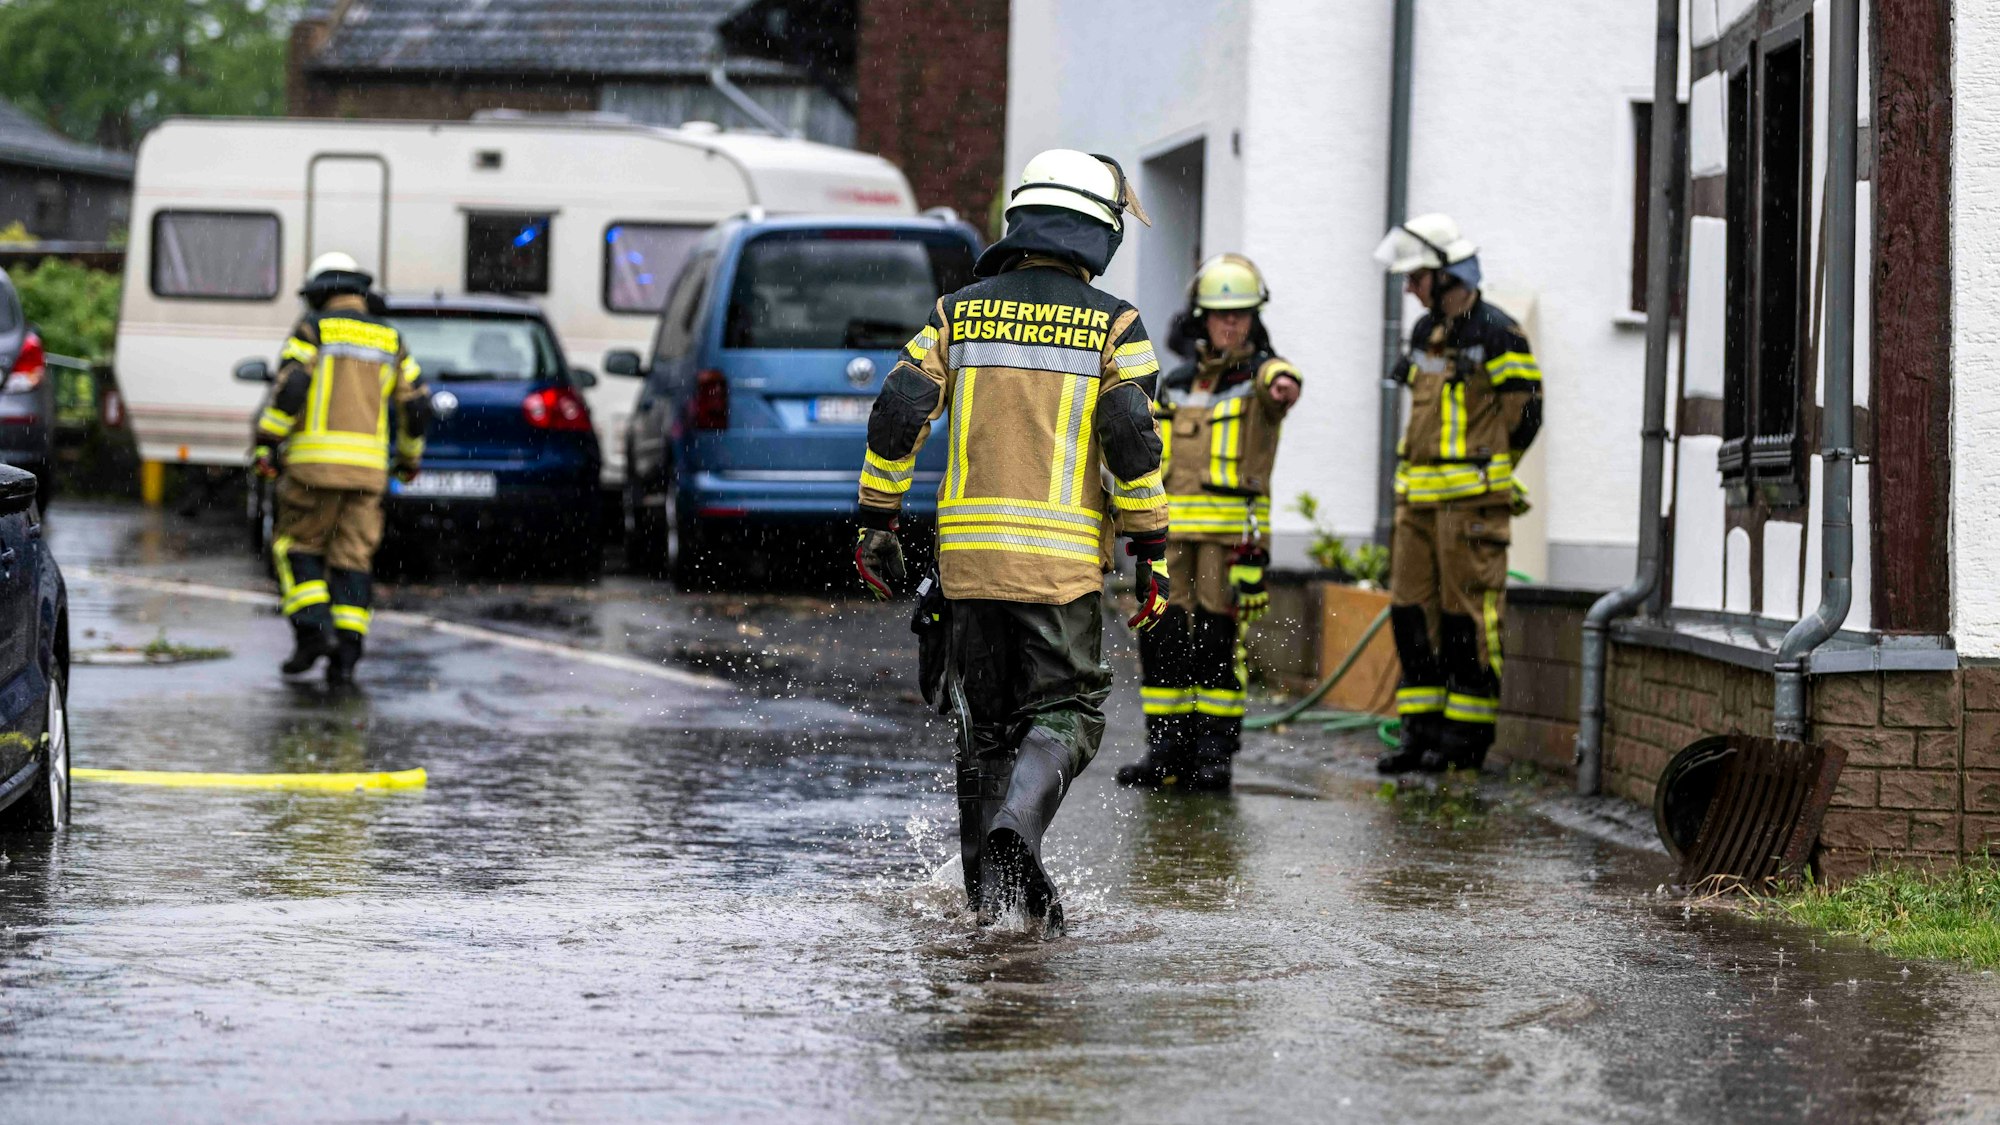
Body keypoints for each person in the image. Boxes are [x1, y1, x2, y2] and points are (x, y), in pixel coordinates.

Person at [853, 149, 1170, 932]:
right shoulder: (1116, 323)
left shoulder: (958, 311)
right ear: (1098, 232)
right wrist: (1150, 545)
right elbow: (1131, 436)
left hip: (967, 567)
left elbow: (899, 408)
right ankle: (1019, 825)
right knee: (1071, 706)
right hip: (1058, 570)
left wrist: (877, 518)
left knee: (982, 731)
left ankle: (989, 910)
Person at [1116, 254, 1301, 793]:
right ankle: (1165, 749)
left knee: (1218, 644)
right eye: (1221, 314)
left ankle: (1215, 753)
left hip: (1228, 540)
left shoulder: (1262, 377)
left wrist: (1285, 384)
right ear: (1201, 317)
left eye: (1240, 315)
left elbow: (1281, 381)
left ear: (1253, 319)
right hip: (1171, 538)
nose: (1230, 324)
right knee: (1163, 638)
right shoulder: (1174, 382)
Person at [1370, 214, 1542, 774]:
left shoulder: (1499, 332)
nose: (1410, 289)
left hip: (1470, 507)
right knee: (1411, 616)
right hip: (1416, 502)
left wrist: (1488, 471)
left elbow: (1526, 415)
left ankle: (1465, 741)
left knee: (1467, 621)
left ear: (1446, 277)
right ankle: (1420, 734)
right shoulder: (1427, 333)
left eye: (1416, 277)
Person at [250, 252, 430, 685]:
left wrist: (267, 443)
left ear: (318, 291)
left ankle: (313, 632)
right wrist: (409, 458)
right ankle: (346, 656)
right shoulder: (391, 339)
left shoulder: (313, 329)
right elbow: (416, 405)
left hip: (313, 469)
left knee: (296, 547)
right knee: (353, 557)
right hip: (368, 473)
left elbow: (292, 387)